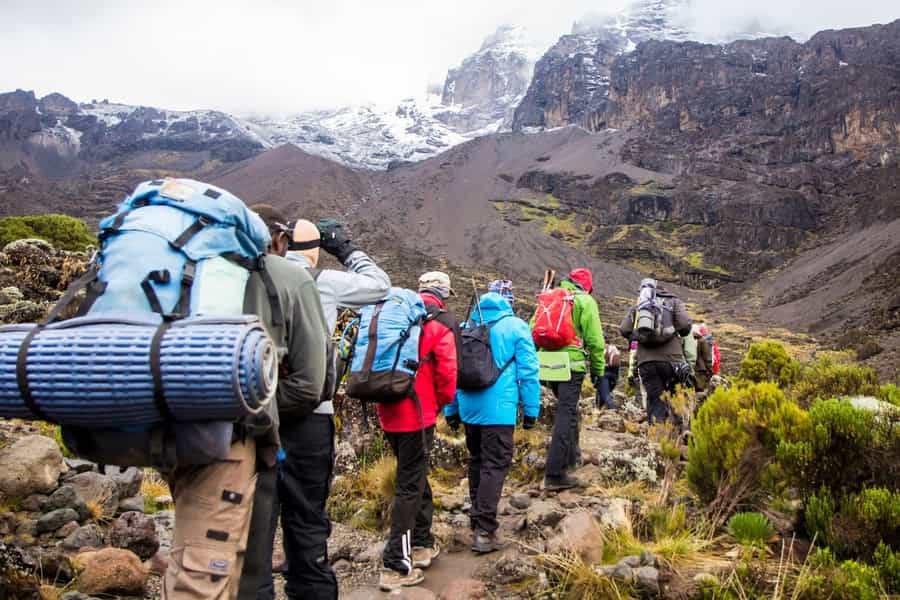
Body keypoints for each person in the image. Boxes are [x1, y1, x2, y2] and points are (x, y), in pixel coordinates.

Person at [163, 204, 329, 600]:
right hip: (254, 438)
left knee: (196, 553)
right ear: (279, 239)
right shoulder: (290, 278)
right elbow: (311, 384)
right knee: (261, 556)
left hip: (185, 433)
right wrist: (260, 405)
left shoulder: (187, 273)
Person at [242, 210, 390, 600]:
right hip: (308, 417)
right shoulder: (320, 281)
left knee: (251, 533)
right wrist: (344, 247)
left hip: (248, 415)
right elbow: (380, 284)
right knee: (307, 524)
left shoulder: (236, 276)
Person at [375, 272, 458, 591]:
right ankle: (396, 564)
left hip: (387, 409)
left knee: (414, 475)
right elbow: (449, 374)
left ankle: (422, 543)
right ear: (443, 295)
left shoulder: (392, 317)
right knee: (409, 486)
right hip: (417, 414)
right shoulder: (438, 324)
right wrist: (441, 404)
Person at [443, 291, 540, 553]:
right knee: (495, 465)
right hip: (499, 411)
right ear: (507, 304)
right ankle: (485, 531)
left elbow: (451, 371)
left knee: (477, 461)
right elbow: (529, 372)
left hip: (468, 409)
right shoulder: (516, 326)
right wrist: (531, 410)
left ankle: (477, 521)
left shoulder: (464, 327)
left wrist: (450, 410)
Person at [540, 268, 605, 491]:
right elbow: (595, 342)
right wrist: (598, 371)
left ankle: (572, 457)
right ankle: (555, 474)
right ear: (586, 286)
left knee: (568, 412)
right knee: (566, 413)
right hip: (571, 365)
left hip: (546, 366)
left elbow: (533, 329)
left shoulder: (550, 297)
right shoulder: (585, 301)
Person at [619, 278, 692, 425]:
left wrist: (638, 336)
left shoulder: (640, 305)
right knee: (675, 397)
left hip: (647, 362)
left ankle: (656, 437)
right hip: (673, 361)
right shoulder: (674, 302)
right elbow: (685, 326)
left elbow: (624, 329)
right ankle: (677, 436)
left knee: (654, 399)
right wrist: (672, 331)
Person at [596, 344, 621, 410]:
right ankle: (599, 408)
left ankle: (613, 408)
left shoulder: (600, 349)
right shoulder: (615, 349)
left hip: (603, 374)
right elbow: (618, 366)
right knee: (603, 392)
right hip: (613, 375)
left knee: (605, 394)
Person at [693, 325, 714, 392]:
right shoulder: (702, 341)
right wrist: (710, 370)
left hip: (690, 368)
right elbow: (707, 357)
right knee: (701, 390)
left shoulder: (688, 339)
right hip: (700, 370)